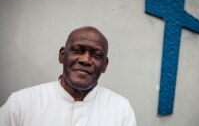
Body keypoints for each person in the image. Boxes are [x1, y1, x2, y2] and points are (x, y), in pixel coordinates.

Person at [0, 26, 137, 126]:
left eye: (96, 54)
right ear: (62, 55)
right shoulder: (21, 103)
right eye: (77, 50)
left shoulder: (121, 109)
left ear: (105, 65)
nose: (85, 60)